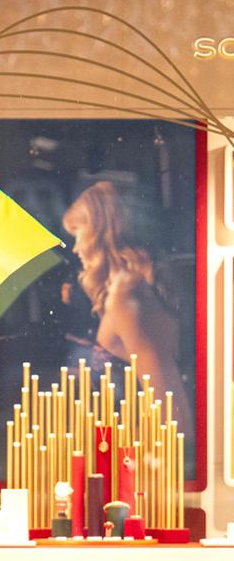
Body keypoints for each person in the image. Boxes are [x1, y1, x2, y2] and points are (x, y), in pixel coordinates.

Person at [62, 180, 191, 440]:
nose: (75, 249)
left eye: (78, 235)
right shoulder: (128, 291)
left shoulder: (128, 297)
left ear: (100, 234)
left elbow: (176, 422)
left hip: (138, 455)